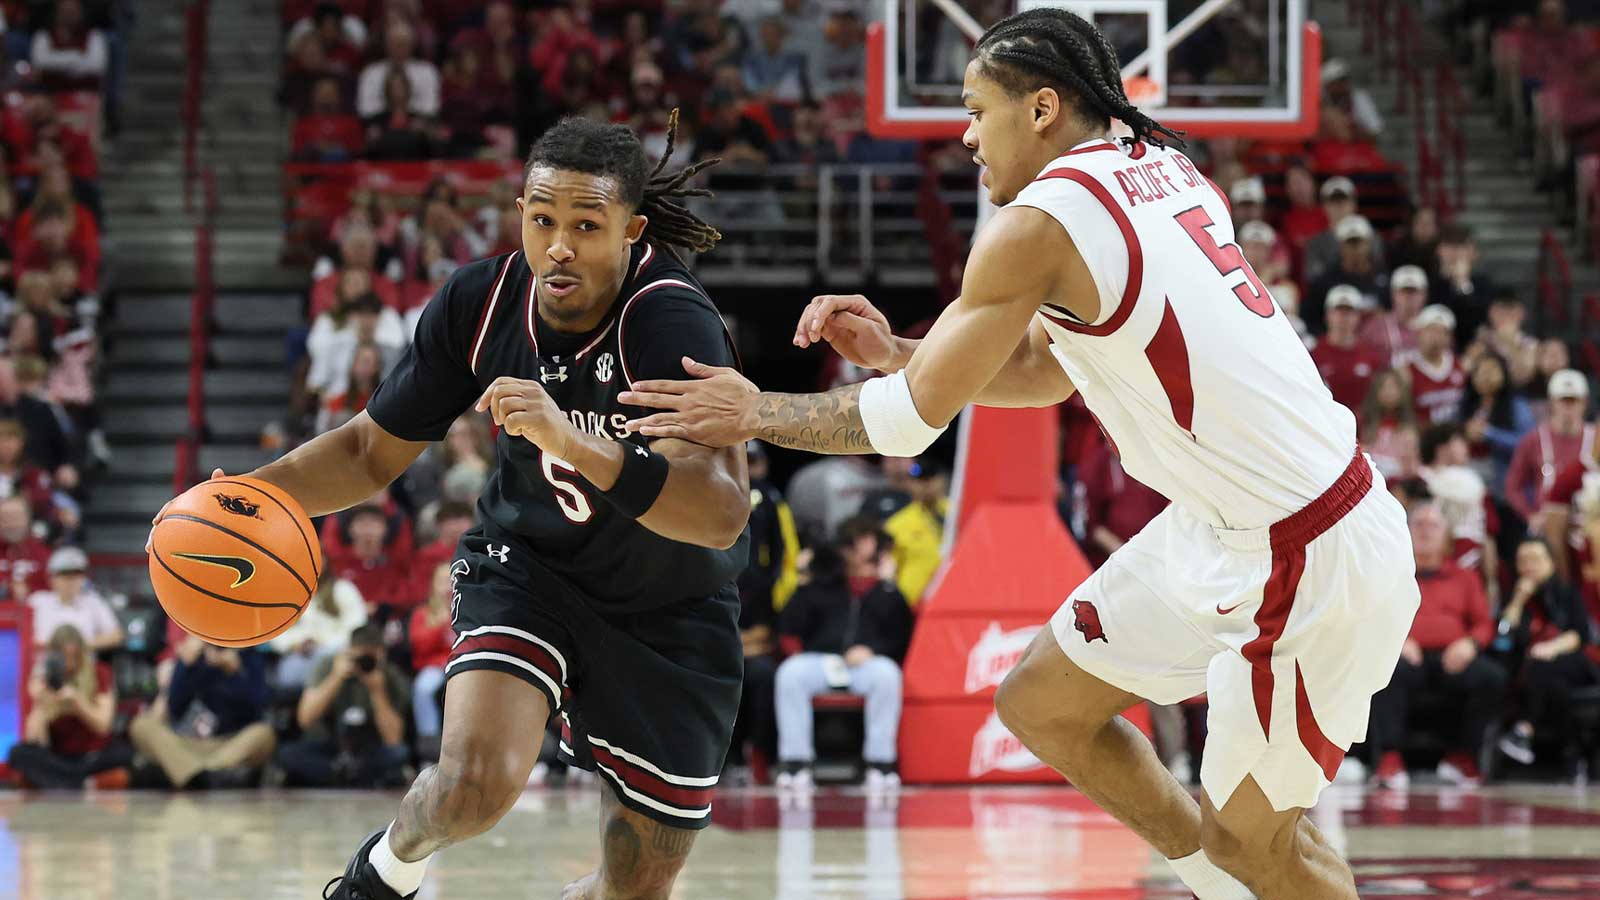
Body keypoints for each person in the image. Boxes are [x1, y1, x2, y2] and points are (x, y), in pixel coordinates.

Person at [618, 9, 1420, 898]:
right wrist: (903, 354)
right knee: (1042, 704)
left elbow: (905, 428)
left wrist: (752, 410)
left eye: (975, 110)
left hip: (1306, 546)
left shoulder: (1041, 223)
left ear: (1041, 108)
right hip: (1219, 525)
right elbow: (1043, 370)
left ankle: (1237, 877)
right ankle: (1225, 886)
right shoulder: (1160, 165)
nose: (965, 136)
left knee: (1254, 844)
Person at [153, 114, 753, 900]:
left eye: (586, 225)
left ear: (632, 231)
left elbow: (718, 511)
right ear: (520, 214)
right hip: (530, 568)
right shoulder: (481, 301)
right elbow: (368, 451)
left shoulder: (670, 320)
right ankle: (381, 874)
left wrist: (571, 440)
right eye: (543, 220)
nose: (559, 247)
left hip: (670, 602)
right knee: (473, 784)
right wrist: (249, 494)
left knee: (636, 886)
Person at [1367, 504, 1505, 789]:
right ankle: (1389, 759)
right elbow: (1373, 616)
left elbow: (1484, 623)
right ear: (1406, 531)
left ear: (1447, 536)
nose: (1425, 530)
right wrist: (1397, 641)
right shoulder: (1391, 573)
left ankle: (1463, 759)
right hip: (1406, 656)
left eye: (1434, 525)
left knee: (1492, 677)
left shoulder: (1464, 577)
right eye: (1419, 524)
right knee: (1385, 671)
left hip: (1452, 657)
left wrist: (1470, 644)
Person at [774, 517, 913, 790]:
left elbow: (900, 638)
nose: (861, 550)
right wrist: (804, 577)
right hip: (821, 660)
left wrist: (873, 649)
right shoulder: (823, 583)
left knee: (888, 675)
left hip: (867, 663)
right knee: (790, 674)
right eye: (856, 543)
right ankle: (795, 763)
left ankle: (880, 764)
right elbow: (789, 624)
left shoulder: (888, 591)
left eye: (868, 541)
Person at [1492, 538, 1598, 771]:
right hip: (1536, 671)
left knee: (1541, 667)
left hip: (1572, 660)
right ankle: (1573, 756)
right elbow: (1503, 637)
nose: (1529, 566)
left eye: (1536, 559)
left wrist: (1552, 648)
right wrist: (1518, 600)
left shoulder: (1566, 591)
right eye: (1523, 560)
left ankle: (1524, 730)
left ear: (1551, 562)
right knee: (1556, 688)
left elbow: (1580, 634)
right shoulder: (1513, 597)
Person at [127, 637, 277, 789]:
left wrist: (236, 674)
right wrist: (185, 666)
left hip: (228, 745)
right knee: (141, 725)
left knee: (264, 734)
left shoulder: (248, 654)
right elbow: (174, 708)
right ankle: (206, 775)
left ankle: (195, 774)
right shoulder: (194, 653)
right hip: (184, 744)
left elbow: (257, 710)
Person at [276, 624, 412, 789]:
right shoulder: (329, 664)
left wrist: (377, 691)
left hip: (371, 749)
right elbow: (305, 719)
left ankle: (342, 777)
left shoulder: (389, 675)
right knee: (288, 754)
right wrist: (336, 677)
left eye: (371, 659)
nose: (364, 663)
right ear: (349, 651)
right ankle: (346, 776)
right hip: (331, 746)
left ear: (382, 654)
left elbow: (394, 739)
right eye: (360, 658)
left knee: (400, 754)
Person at [6, 624, 130, 789]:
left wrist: (78, 703)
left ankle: (61, 782)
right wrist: (40, 703)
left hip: (93, 755)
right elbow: (34, 740)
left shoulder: (100, 672)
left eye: (74, 657)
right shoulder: (48, 678)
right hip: (60, 757)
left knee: (124, 753)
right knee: (17, 753)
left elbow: (103, 726)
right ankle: (82, 783)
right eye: (64, 658)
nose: (70, 664)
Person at [1506, 369, 1592, 531]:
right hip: (1547, 526)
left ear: (1585, 402)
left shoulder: (1596, 439)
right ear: (1551, 402)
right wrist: (1530, 515)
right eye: (1563, 401)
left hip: (1588, 526)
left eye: (1574, 401)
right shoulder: (1533, 440)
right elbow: (1513, 486)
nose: (1568, 407)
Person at [268, 566, 368, 690]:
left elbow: (358, 628)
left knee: (328, 659)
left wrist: (323, 645)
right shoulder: (288, 593)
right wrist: (295, 644)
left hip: (337, 653)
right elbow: (276, 635)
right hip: (302, 656)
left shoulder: (342, 589)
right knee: (287, 675)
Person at [27, 546, 120, 651]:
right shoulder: (37, 601)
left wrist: (78, 646)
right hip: (45, 659)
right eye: (65, 575)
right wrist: (54, 646)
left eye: (76, 575)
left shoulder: (93, 601)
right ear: (52, 577)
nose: (70, 581)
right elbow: (21, 635)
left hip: (82, 659)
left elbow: (116, 635)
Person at [882, 458, 950, 604]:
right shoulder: (897, 524)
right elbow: (887, 570)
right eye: (919, 481)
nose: (926, 486)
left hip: (952, 599)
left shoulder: (958, 513)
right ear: (910, 484)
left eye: (931, 479)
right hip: (912, 602)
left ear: (942, 481)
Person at [1309, 285, 1383, 413]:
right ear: (1328, 315)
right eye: (1339, 311)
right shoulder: (1314, 354)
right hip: (1325, 417)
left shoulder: (1371, 356)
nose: (1343, 318)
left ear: (1358, 316)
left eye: (1349, 312)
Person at [408, 562, 455, 754]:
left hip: (464, 665)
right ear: (433, 586)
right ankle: (429, 744)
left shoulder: (468, 611)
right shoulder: (423, 614)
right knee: (423, 688)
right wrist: (441, 625)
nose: (448, 587)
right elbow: (419, 645)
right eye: (443, 582)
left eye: (452, 581)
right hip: (435, 666)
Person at [1359, 266, 1429, 369]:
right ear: (1393, 294)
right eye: (1403, 291)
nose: (1408, 297)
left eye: (1413, 292)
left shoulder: (1433, 327)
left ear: (1424, 294)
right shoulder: (1376, 327)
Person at [1407, 305, 1466, 425]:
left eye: (1442, 332)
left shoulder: (1461, 365)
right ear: (1419, 333)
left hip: (1455, 432)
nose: (1436, 337)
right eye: (1431, 331)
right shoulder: (1406, 370)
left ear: (1450, 338)